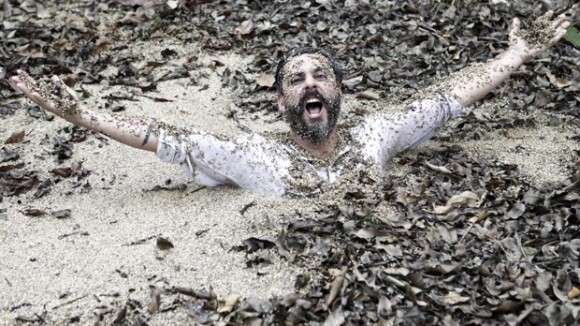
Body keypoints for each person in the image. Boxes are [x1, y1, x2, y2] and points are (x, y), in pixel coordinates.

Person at [10, 11, 572, 197]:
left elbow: (448, 97)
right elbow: (161, 134)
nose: (310, 83)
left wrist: (516, 57)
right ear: (282, 101)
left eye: (320, 75)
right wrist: (78, 116)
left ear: (337, 92)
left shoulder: (375, 134)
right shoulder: (255, 156)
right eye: (296, 78)